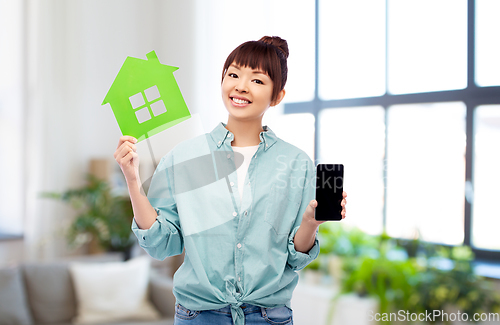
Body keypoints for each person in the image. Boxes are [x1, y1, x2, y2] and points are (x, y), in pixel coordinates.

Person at [114, 36, 347, 325]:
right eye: (233, 74)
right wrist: (133, 181)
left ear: (278, 96)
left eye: (257, 81)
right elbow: (162, 243)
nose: (241, 86)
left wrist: (311, 222)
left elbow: (294, 257)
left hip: (269, 317)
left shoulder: (296, 163)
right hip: (198, 317)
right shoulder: (185, 156)